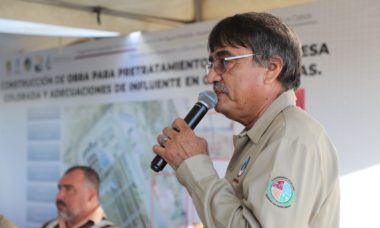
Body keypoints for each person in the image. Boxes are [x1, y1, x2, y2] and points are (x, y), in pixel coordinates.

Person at [152, 12, 340, 227]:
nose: (211, 77)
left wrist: (195, 166)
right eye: (211, 64)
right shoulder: (267, 134)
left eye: (224, 62)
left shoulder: (290, 137)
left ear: (271, 69)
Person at [42, 165, 116, 228]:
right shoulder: (50, 225)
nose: (59, 197)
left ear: (90, 195)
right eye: (60, 189)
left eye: (68, 189)